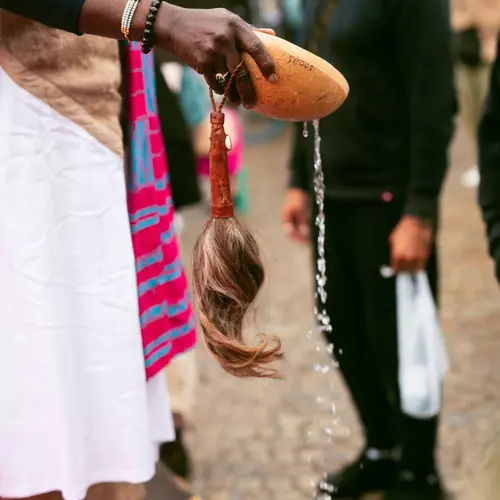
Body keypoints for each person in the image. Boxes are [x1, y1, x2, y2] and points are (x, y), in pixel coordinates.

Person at [0, 2, 276, 499]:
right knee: (37, 399)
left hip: (95, 132)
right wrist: (159, 20)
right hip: (30, 127)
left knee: (95, 392)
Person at [282, 0, 455, 499]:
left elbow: (434, 97)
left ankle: (418, 471)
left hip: (389, 198)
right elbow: (302, 84)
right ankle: (382, 448)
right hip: (330, 193)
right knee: (340, 326)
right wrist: (297, 179)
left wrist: (421, 210)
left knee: (399, 338)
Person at [452, 0, 498, 187]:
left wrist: (472, 17)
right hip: (464, 56)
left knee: (487, 113)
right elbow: (454, 19)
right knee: (468, 113)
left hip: (487, 58)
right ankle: (480, 162)